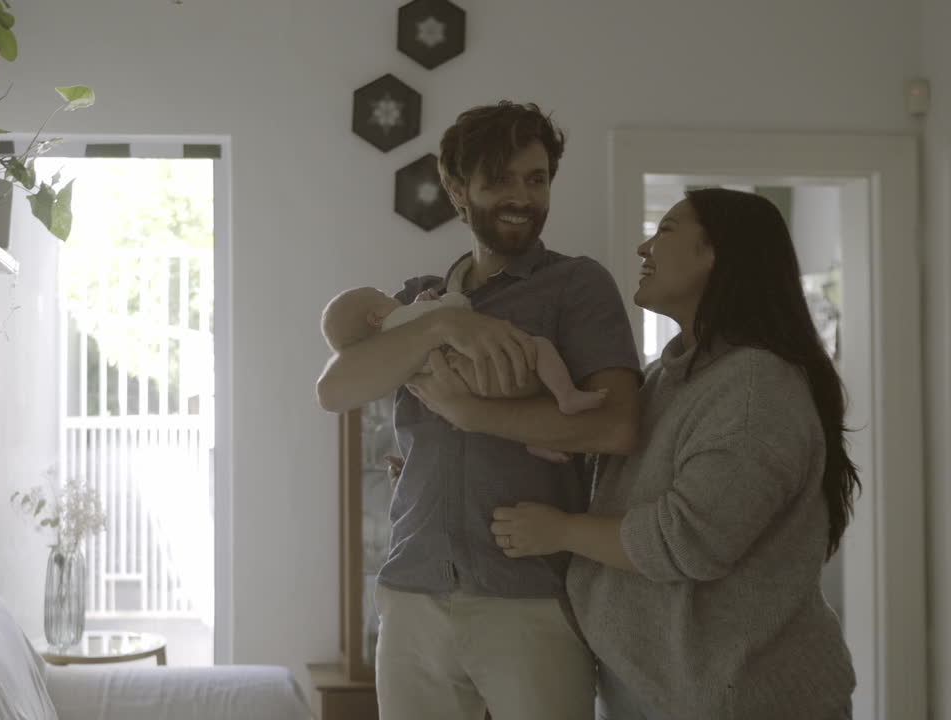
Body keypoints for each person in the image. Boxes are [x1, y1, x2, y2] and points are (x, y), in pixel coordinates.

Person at [427, 188, 854, 719]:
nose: (644, 247)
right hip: (659, 695)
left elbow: (689, 539)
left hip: (745, 701)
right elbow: (624, 487)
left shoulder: (753, 388)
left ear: (717, 253)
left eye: (666, 230)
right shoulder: (669, 378)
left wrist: (560, 530)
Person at [316, 101, 642, 720]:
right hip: (412, 586)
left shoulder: (577, 285)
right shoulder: (416, 303)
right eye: (500, 180)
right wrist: (441, 324)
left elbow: (618, 425)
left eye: (536, 179)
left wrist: (471, 414)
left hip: (532, 594)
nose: (522, 196)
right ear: (458, 191)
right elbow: (334, 391)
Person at [320, 283, 608, 462]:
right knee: (540, 349)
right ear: (375, 318)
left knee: (510, 406)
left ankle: (533, 441)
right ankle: (566, 395)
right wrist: (448, 306)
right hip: (477, 369)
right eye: (382, 295)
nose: (392, 296)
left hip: (460, 386)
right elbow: (454, 308)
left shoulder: (390, 353)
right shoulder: (403, 319)